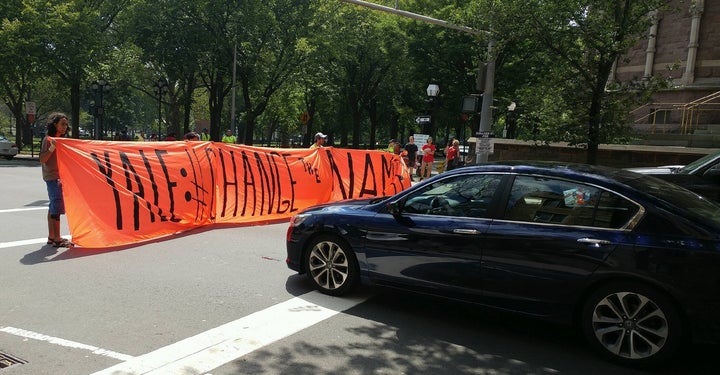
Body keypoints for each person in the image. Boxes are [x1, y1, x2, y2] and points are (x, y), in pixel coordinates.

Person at [39, 113, 74, 248]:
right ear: (55, 124)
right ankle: (58, 239)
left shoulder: (63, 140)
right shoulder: (48, 140)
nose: (65, 127)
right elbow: (42, 159)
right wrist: (52, 148)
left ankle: (51, 237)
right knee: (57, 205)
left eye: (66, 124)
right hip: (53, 177)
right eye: (62, 124)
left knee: (53, 205)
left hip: (60, 177)